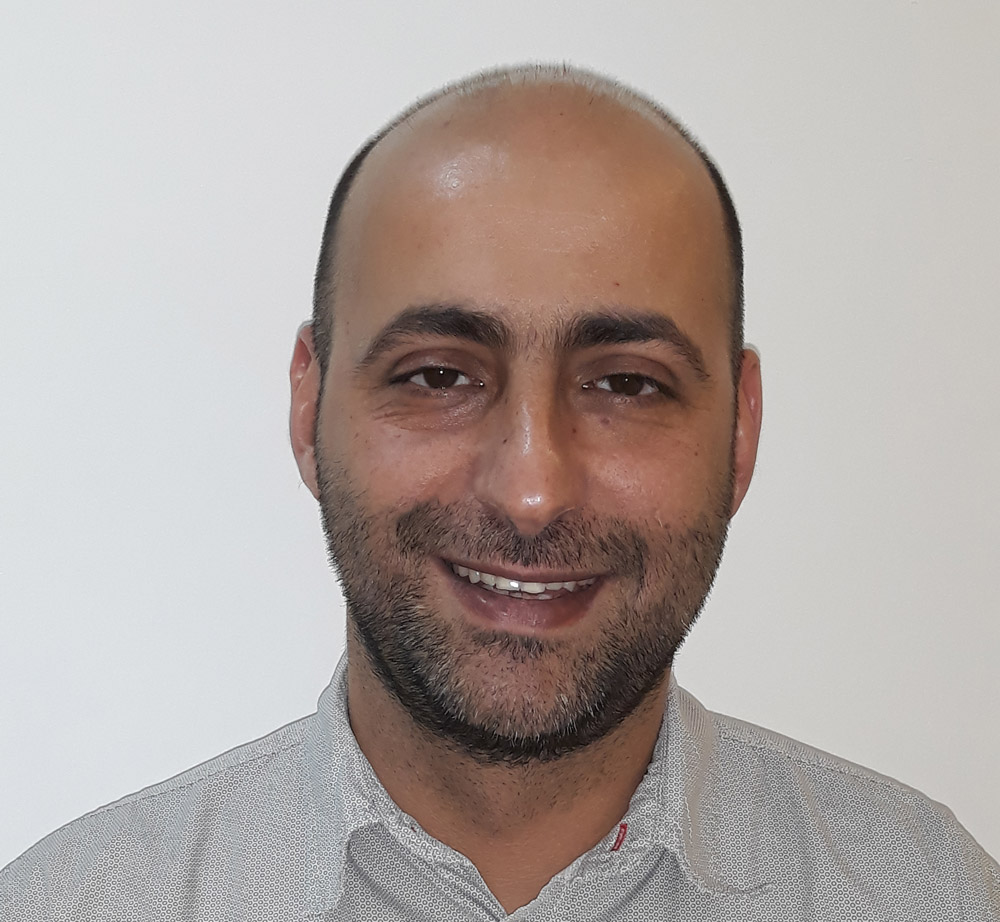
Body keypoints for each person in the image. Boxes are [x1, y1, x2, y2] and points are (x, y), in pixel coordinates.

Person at [2, 63, 997, 921]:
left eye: (626, 384)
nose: (531, 491)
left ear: (740, 430)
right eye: (438, 375)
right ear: (309, 406)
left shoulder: (931, 895)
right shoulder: (73, 904)